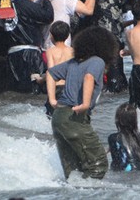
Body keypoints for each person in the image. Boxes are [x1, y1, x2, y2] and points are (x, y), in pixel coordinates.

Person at [47, 26, 118, 179]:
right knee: (98, 163)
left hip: (58, 117)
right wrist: (85, 103)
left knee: (73, 171)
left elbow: (50, 73)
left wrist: (53, 100)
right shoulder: (97, 61)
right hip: (74, 117)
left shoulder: (72, 63)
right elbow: (88, 77)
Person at [43, 21, 73, 117]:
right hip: (70, 88)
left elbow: (52, 71)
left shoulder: (51, 51)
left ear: (51, 35)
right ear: (68, 35)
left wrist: (41, 79)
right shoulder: (72, 51)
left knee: (51, 115)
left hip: (56, 88)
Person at [108, 103, 140, 172]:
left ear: (118, 120)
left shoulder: (113, 137)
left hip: (126, 172)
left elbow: (115, 163)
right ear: (134, 120)